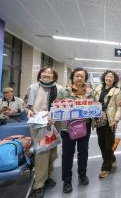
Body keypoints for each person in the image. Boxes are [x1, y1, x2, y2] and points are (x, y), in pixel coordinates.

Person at [25, 67, 63, 198]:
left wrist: (54, 114)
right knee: (42, 152)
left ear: (54, 76)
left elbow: (63, 106)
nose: (47, 74)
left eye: (50, 73)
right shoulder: (32, 87)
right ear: (40, 74)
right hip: (37, 124)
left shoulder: (59, 88)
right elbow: (27, 105)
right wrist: (28, 111)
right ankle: (39, 184)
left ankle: (47, 177)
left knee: (52, 152)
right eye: (44, 72)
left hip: (53, 123)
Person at [57, 68, 93, 193]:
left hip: (85, 126)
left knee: (83, 152)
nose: (79, 78)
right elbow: (57, 106)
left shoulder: (89, 92)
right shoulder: (64, 91)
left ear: (85, 79)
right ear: (73, 77)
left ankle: (82, 175)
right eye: (77, 76)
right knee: (67, 154)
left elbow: (93, 107)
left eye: (82, 77)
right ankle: (67, 180)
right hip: (68, 128)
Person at [93, 70, 121, 179]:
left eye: (111, 77)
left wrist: (116, 119)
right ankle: (112, 159)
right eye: (107, 76)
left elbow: (119, 106)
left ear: (114, 80)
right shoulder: (97, 89)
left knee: (108, 144)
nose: (109, 78)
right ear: (104, 78)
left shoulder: (116, 91)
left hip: (110, 121)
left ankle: (105, 167)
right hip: (99, 120)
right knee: (101, 143)